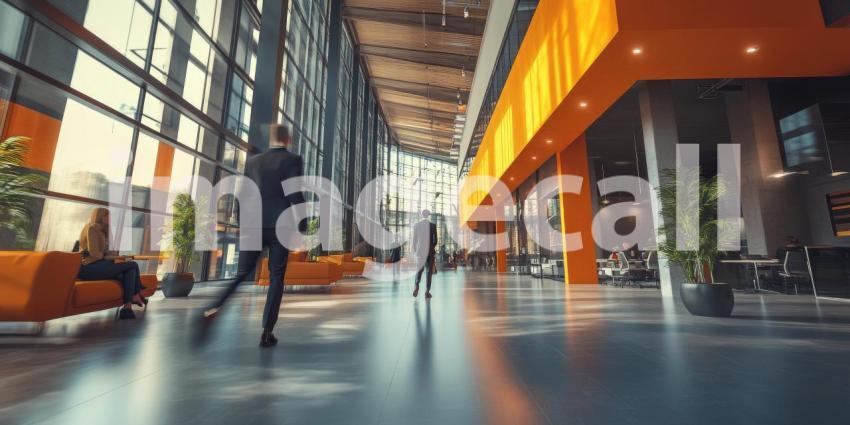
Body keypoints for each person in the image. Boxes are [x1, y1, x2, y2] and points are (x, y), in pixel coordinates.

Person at [203, 124, 306, 348]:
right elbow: (294, 193)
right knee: (276, 277)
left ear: (272, 139)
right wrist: (304, 223)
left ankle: (214, 306)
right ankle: (267, 331)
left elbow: (243, 194)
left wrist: (242, 224)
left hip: (252, 224)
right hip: (280, 226)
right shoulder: (293, 160)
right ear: (287, 139)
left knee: (242, 273)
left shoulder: (253, 162)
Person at [77, 208, 147, 320]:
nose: (110, 219)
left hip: (102, 265)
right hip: (89, 267)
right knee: (133, 264)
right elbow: (94, 254)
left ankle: (127, 308)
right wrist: (107, 255)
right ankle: (136, 293)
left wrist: (118, 256)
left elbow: (110, 253)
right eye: (107, 216)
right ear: (101, 216)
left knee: (129, 271)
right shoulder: (92, 228)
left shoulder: (106, 230)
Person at [412, 210, 437, 298]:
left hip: (420, 252)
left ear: (422, 215)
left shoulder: (416, 225)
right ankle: (427, 292)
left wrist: (416, 251)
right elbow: (435, 240)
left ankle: (416, 285)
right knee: (429, 272)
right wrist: (431, 247)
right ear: (428, 215)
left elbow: (414, 240)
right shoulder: (433, 226)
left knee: (419, 270)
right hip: (430, 252)